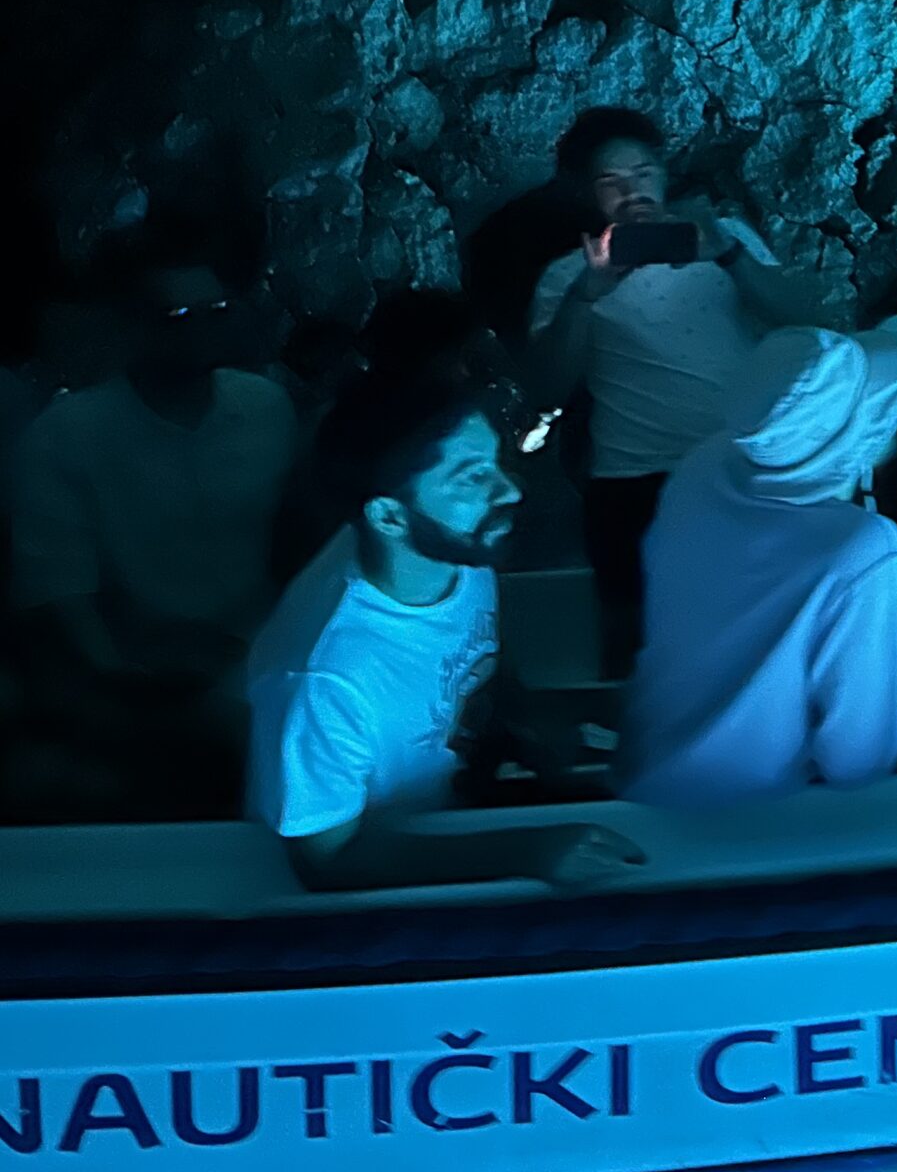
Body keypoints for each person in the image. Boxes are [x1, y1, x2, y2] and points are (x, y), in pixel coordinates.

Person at [244, 358, 644, 890]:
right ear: (388, 516)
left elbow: (469, 657)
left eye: (495, 462)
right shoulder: (322, 681)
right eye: (472, 477)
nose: (511, 490)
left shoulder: (449, 549)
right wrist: (525, 848)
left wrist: (536, 716)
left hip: (452, 800)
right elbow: (324, 859)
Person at [7, 233, 297, 818]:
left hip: (256, 652)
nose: (202, 329)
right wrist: (117, 671)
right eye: (180, 316)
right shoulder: (69, 435)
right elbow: (59, 584)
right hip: (126, 668)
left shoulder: (265, 408)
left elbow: (299, 539)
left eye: (215, 312)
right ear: (135, 326)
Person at [528, 107, 821, 676]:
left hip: (740, 465)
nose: (631, 190)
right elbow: (548, 388)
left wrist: (729, 256)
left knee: (756, 640)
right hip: (635, 484)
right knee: (640, 653)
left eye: (642, 172)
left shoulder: (725, 238)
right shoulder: (568, 276)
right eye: (610, 181)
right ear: (589, 194)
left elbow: (808, 323)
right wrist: (587, 296)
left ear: (664, 173)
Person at [621, 320, 897, 805]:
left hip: (644, 787)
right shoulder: (864, 551)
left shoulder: (697, 474)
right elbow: (860, 759)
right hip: (758, 828)